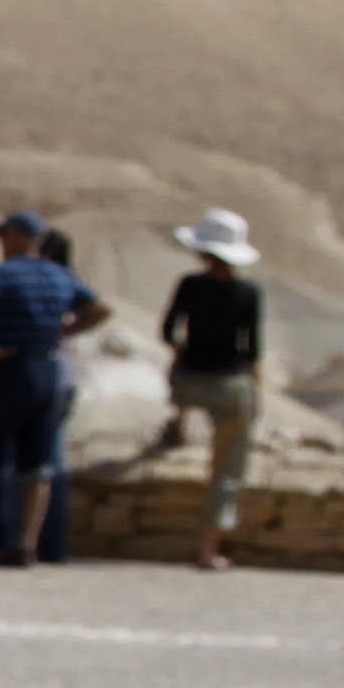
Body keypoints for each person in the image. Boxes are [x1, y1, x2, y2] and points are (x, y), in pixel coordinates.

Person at [0, 211, 107, 569]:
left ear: (17, 236)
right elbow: (100, 310)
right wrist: (61, 333)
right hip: (47, 370)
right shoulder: (61, 276)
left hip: (9, 369)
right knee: (38, 464)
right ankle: (25, 546)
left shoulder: (2, 274)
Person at [135, 211, 266, 570]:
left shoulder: (190, 285)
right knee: (228, 468)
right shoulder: (249, 292)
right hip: (230, 382)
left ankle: (178, 423)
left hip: (188, 379)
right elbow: (252, 348)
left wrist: (182, 354)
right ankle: (208, 549)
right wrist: (258, 392)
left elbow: (169, 329)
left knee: (183, 395)